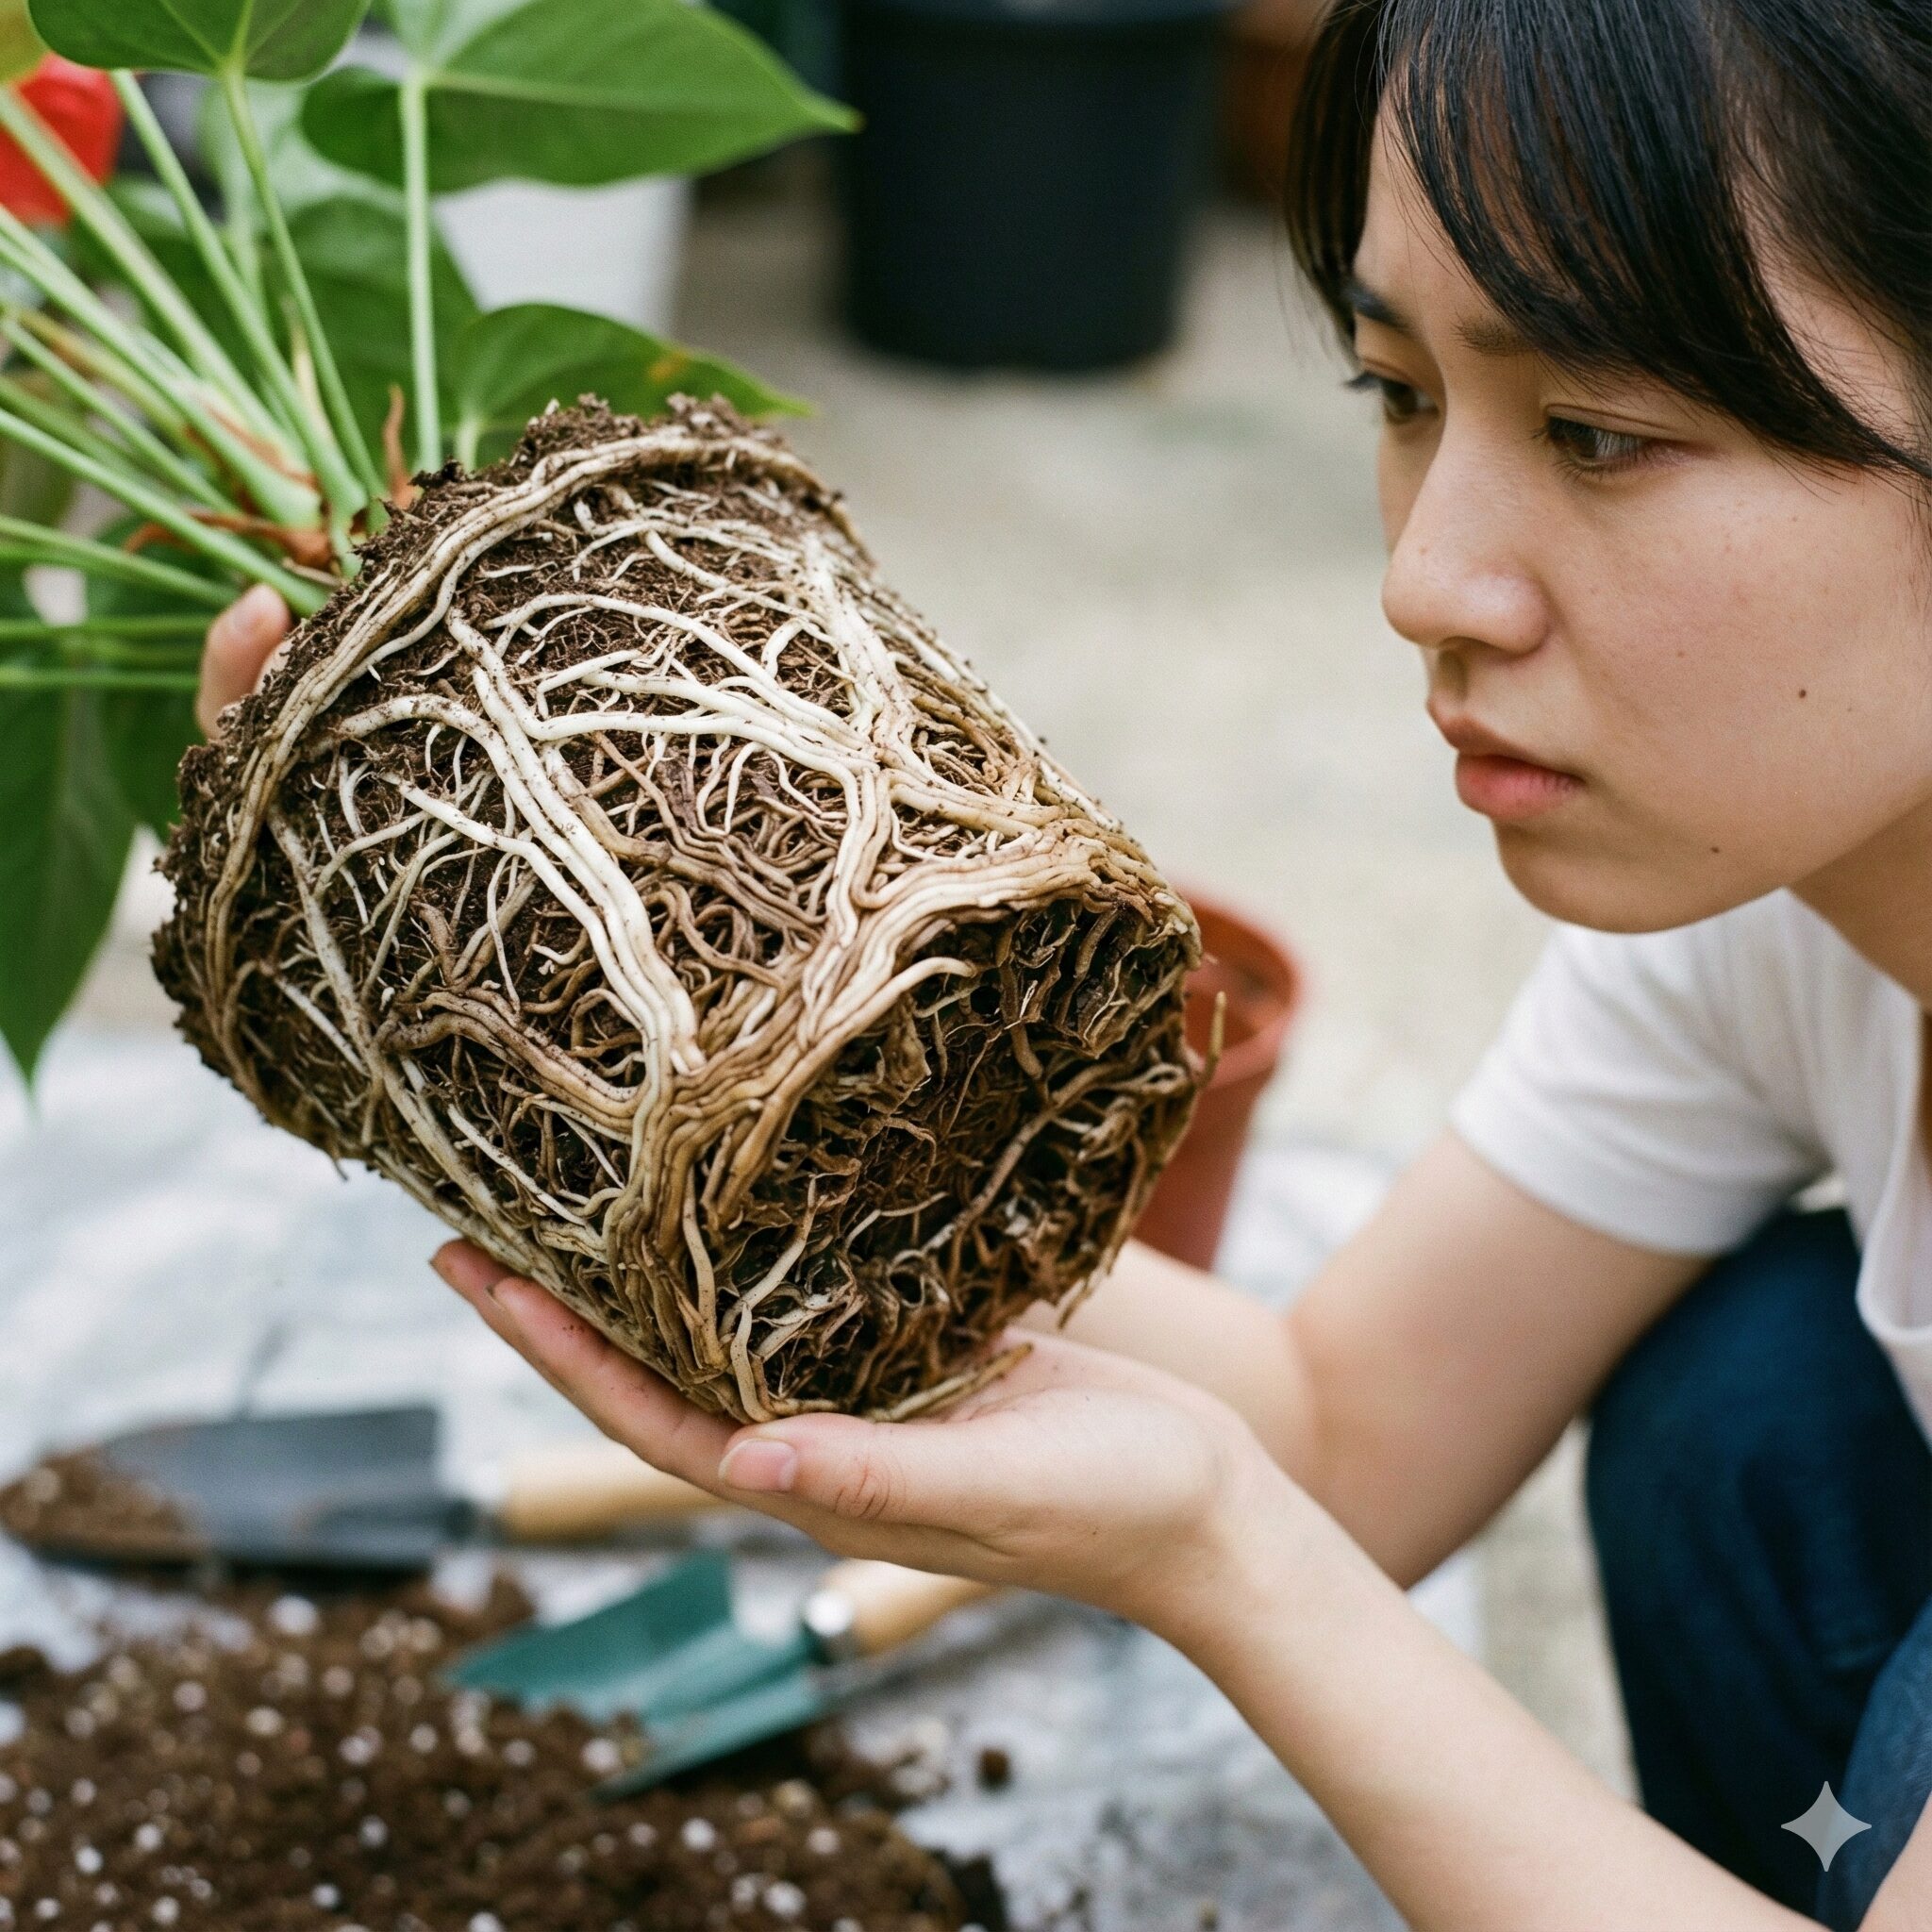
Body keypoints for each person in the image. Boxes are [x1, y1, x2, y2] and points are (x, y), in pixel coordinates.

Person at [197, 1, 1932, 1922]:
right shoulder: (1783, 914)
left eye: (1598, 432)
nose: (1422, 581)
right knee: (1754, 1402)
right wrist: (623, 1059)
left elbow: (1276, 1520)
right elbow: (1349, 1427)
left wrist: (1224, 1561)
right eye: (1399, 393)